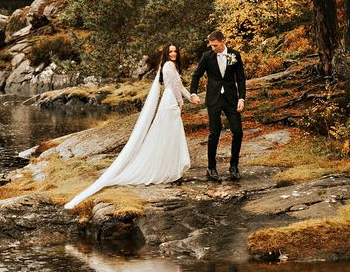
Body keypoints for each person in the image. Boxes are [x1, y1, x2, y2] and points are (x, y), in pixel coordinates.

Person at [64, 44, 192, 209]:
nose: (174, 54)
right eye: (171, 52)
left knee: (171, 135)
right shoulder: (168, 66)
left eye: (175, 51)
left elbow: (179, 87)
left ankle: (172, 169)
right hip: (170, 102)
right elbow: (174, 88)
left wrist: (190, 97)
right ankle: (170, 169)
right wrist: (181, 102)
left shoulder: (171, 66)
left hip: (171, 101)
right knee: (169, 135)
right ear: (166, 54)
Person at [189, 29, 246, 182]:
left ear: (223, 42)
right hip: (213, 99)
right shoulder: (207, 57)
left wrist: (242, 98)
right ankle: (211, 167)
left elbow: (240, 78)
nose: (213, 48)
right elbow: (196, 75)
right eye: (211, 45)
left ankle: (234, 166)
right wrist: (193, 93)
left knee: (238, 131)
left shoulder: (234, 55)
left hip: (231, 99)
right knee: (214, 133)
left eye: (215, 45)